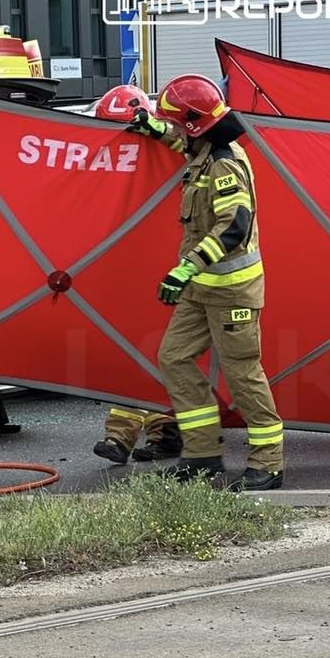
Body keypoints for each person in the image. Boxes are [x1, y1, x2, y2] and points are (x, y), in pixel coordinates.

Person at [128, 74, 284, 491]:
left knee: (242, 374)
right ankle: (202, 456)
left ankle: (268, 462)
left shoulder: (225, 163)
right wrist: (154, 129)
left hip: (231, 290)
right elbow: (184, 145)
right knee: (174, 358)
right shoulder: (204, 150)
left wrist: (186, 267)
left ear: (196, 124)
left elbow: (234, 226)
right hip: (202, 288)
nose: (176, 131)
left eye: (177, 123)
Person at [87, 85, 183, 467]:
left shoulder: (167, 151)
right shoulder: (103, 161)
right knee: (138, 353)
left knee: (156, 353)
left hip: (162, 269)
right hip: (123, 271)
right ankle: (152, 432)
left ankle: (136, 434)